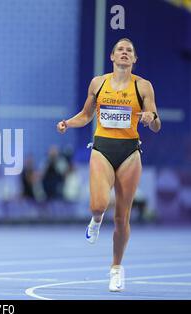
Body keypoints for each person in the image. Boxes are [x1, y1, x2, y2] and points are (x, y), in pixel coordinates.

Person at [57, 38, 161, 292]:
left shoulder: (144, 86)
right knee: (98, 206)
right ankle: (95, 220)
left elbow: (156, 124)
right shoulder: (98, 83)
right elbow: (85, 115)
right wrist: (68, 123)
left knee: (121, 217)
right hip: (102, 147)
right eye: (120, 50)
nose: (124, 53)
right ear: (112, 57)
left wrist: (150, 118)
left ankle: (116, 269)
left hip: (129, 152)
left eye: (129, 51)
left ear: (134, 59)